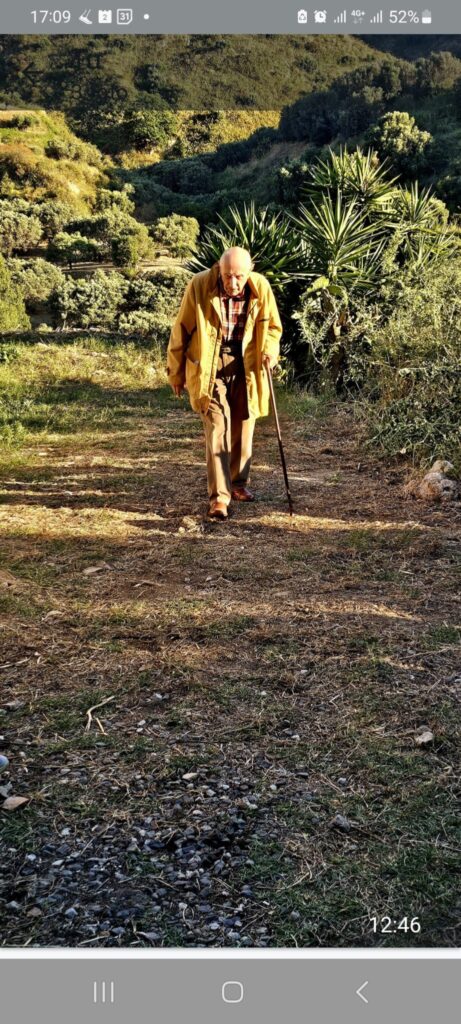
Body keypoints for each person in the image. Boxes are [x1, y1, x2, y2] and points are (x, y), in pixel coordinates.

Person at [166, 247, 282, 520]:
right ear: (219, 269)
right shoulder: (200, 285)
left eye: (238, 276)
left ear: (249, 270)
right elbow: (181, 328)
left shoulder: (261, 287)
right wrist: (176, 372)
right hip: (209, 363)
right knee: (218, 425)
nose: (232, 283)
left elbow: (274, 328)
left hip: (247, 361)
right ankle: (219, 498)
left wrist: (269, 350)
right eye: (227, 275)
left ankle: (238, 484)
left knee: (244, 421)